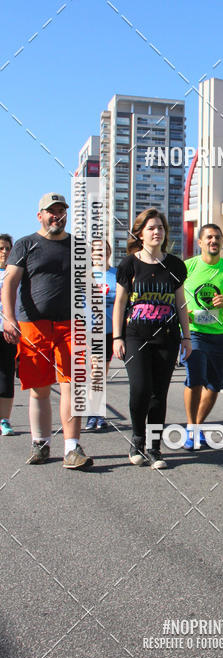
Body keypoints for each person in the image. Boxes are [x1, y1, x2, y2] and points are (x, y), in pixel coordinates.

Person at [2, 193, 92, 468]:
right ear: (39, 215)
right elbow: (10, 283)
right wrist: (9, 318)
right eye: (50, 211)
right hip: (33, 324)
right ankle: (40, 444)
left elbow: (86, 285)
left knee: (72, 386)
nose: (57, 216)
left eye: (61, 211)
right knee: (39, 389)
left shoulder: (78, 246)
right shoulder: (26, 244)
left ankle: (72, 448)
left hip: (70, 325)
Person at [113, 208, 191, 469]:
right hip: (136, 336)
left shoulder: (175, 265)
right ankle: (137, 440)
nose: (157, 232)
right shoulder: (129, 264)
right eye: (151, 228)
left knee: (159, 393)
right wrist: (117, 337)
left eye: (160, 227)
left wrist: (187, 337)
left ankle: (155, 448)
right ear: (140, 233)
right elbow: (120, 303)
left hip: (167, 338)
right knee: (140, 389)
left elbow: (181, 305)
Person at [182, 224, 223, 450]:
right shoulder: (187, 267)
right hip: (194, 333)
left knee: (215, 385)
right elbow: (172, 295)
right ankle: (191, 429)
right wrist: (183, 313)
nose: (213, 241)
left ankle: (197, 427)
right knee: (195, 379)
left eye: (217, 237)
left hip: (218, 333)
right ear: (200, 242)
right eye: (209, 237)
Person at [85, 239, 117, 433]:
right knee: (95, 372)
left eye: (104, 249)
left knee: (101, 374)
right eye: (96, 250)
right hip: (91, 330)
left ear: (109, 251)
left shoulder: (117, 274)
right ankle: (93, 414)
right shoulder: (85, 276)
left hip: (111, 330)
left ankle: (98, 413)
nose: (100, 252)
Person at [0, 234, 17, 435]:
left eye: (7, 248)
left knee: (6, 374)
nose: (4, 252)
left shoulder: (15, 273)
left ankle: (4, 420)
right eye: (1, 248)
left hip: (8, 329)